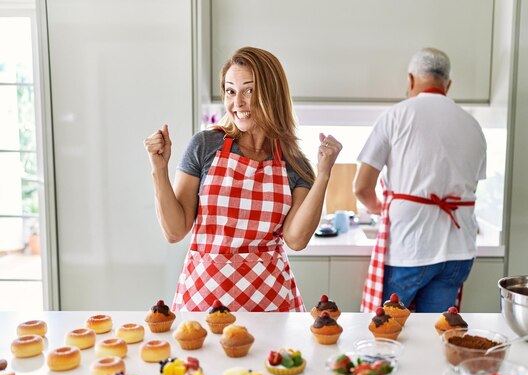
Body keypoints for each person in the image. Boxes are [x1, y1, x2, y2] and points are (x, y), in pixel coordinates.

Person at [144, 46, 342, 312]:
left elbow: (296, 239)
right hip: (204, 300)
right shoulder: (205, 145)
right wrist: (159, 168)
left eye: (249, 90)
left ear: (271, 93)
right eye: (230, 91)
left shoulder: (294, 163)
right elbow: (175, 230)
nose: (238, 103)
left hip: (270, 303)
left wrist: (325, 173)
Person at [354, 47, 486, 313]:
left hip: (409, 246)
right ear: (447, 84)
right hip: (458, 251)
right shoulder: (473, 125)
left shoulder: (395, 116)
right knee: (433, 335)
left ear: (411, 80)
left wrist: (377, 207)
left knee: (387, 331)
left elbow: (361, 186)